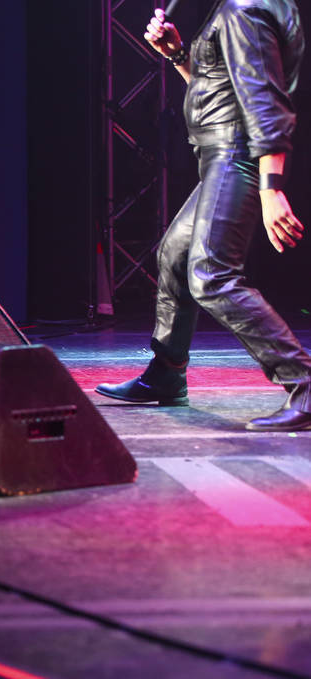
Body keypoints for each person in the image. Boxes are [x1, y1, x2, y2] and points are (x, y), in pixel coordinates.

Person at [97, 1, 311, 431]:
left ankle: (303, 381)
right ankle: (166, 374)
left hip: (237, 153)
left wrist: (272, 190)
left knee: (211, 272)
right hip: (219, 154)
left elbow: (266, 102)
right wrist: (177, 54)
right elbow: (216, 88)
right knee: (175, 254)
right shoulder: (230, 10)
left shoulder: (243, 10)